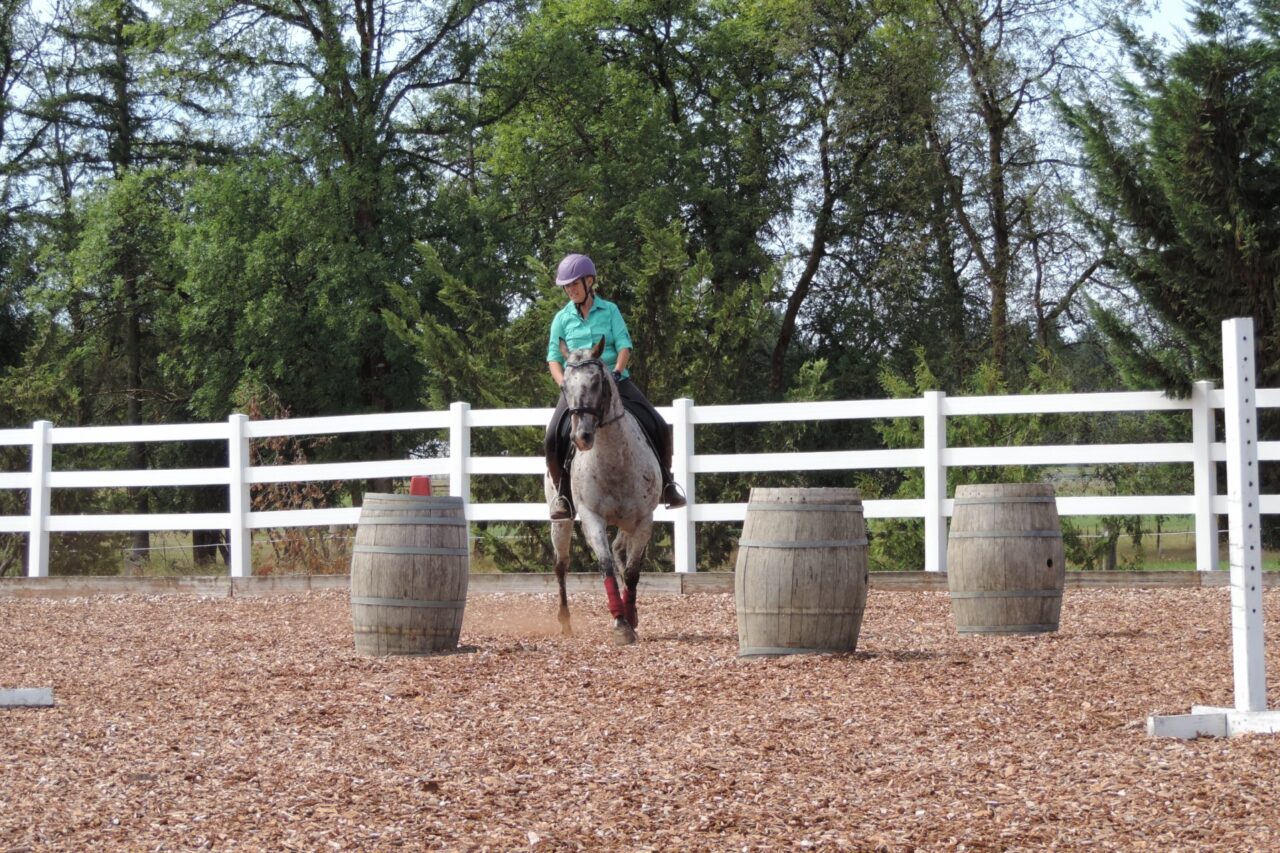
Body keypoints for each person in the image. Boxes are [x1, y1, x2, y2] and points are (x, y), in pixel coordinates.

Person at [545, 252, 687, 520]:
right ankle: (563, 494)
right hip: (578, 389)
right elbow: (553, 358)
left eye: (574, 284)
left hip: (613, 381)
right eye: (566, 286)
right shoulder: (561, 319)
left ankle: (667, 484)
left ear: (590, 281)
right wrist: (565, 383)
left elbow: (624, 345)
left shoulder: (610, 310)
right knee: (552, 436)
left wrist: (618, 371)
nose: (570, 290)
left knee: (657, 423)